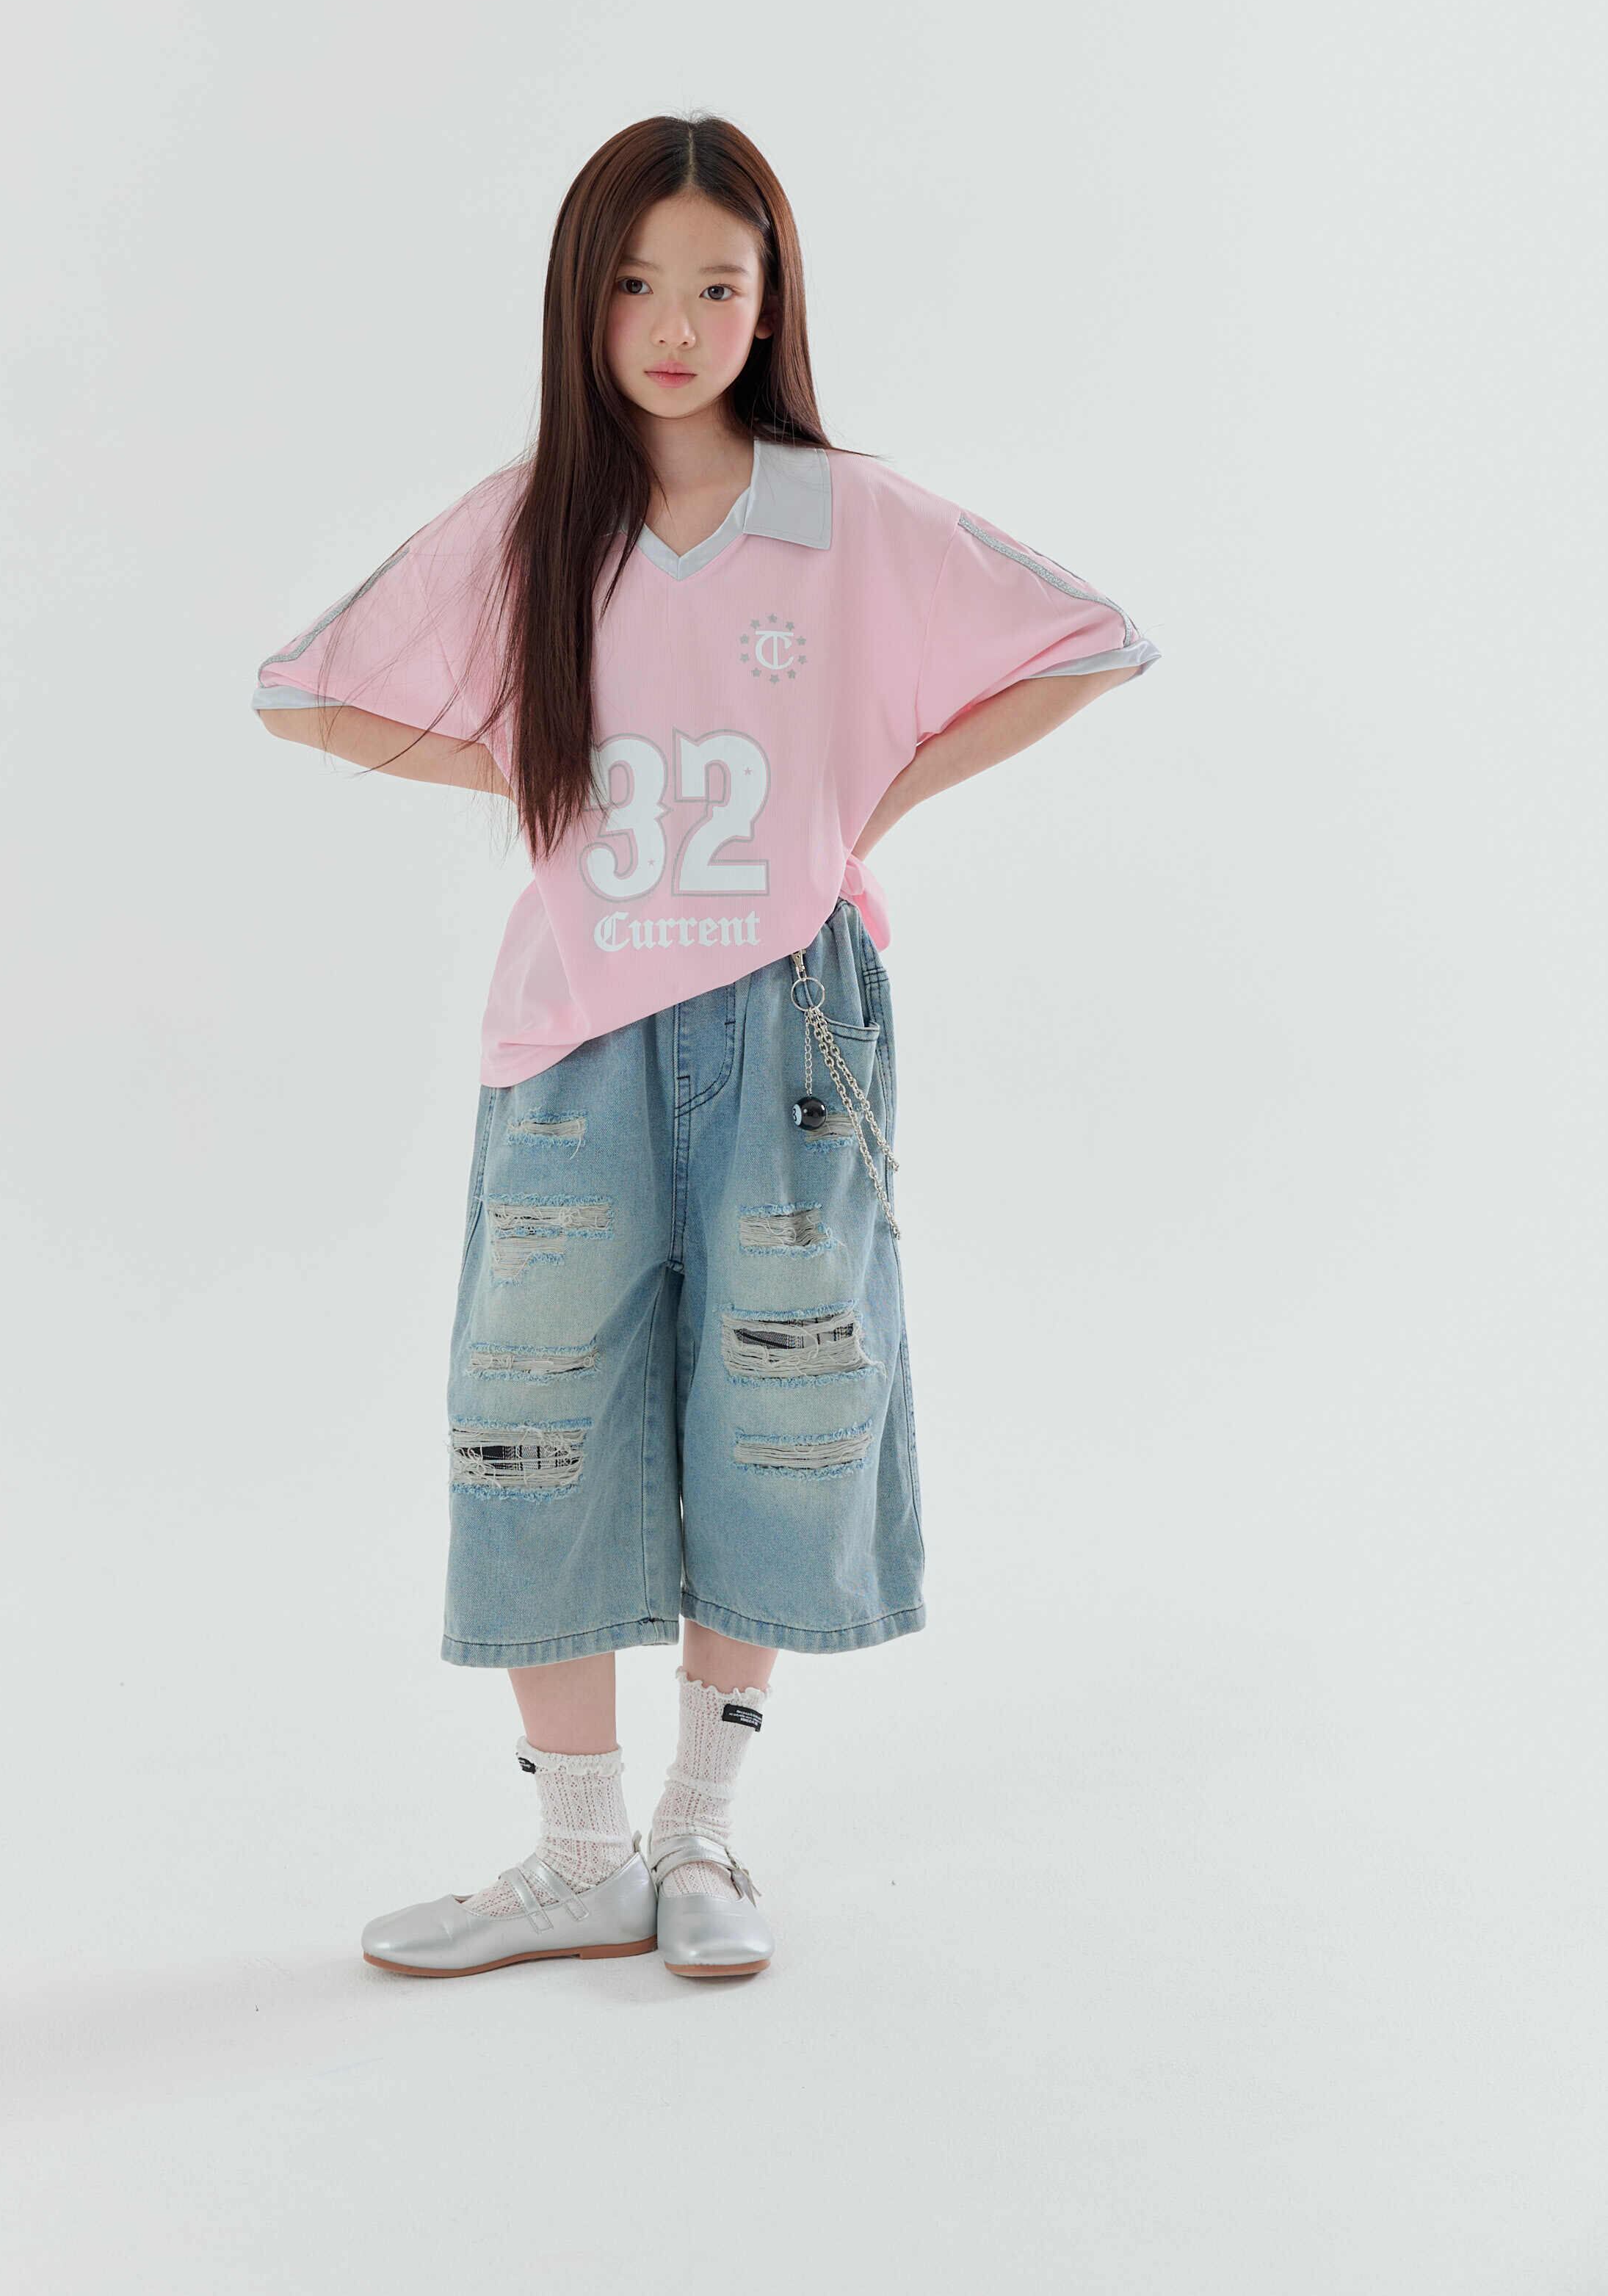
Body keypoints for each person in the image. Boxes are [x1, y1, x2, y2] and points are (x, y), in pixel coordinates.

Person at [252, 112, 1160, 1980]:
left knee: (776, 1392)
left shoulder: (841, 515)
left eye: (715, 287)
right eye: (634, 284)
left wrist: (858, 806)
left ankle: (697, 1838)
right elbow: (303, 693)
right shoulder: (531, 522)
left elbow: (1084, 641)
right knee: (537, 1408)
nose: (673, 325)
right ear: (580, 302)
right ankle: (574, 1852)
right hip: (574, 1031)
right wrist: (529, 768)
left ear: (769, 303)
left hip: (789, 1020)